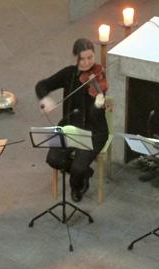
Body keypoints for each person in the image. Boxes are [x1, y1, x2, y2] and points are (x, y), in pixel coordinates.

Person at [35, 38, 108, 202]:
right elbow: (42, 85)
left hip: (93, 130)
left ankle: (76, 185)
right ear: (76, 58)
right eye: (83, 59)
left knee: (77, 167)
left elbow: (97, 116)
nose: (88, 63)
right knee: (53, 159)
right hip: (68, 126)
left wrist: (97, 106)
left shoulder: (98, 79)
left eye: (91, 58)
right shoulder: (69, 74)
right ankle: (85, 173)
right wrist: (44, 99)